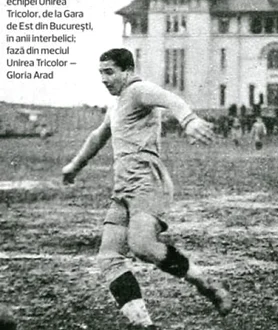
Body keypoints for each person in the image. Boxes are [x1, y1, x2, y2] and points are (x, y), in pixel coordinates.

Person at [61, 48, 231, 329]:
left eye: (109, 72)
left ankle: (207, 283)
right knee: (109, 258)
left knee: (141, 245)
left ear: (127, 70)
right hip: (123, 188)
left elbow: (169, 98)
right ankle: (144, 324)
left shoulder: (138, 90)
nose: (104, 79)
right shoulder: (116, 104)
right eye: (101, 73)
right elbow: (98, 136)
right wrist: (74, 167)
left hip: (146, 182)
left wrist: (189, 120)